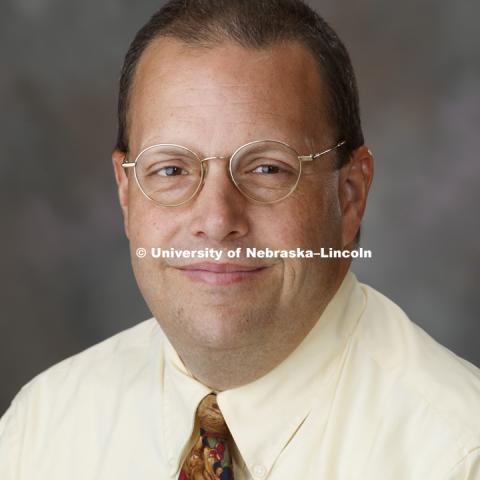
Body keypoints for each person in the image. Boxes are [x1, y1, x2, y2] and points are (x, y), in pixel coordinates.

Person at [1, 0, 479, 478]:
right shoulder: (40, 430)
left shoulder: (457, 453)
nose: (216, 219)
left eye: (267, 168)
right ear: (126, 194)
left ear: (350, 194)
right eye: (171, 169)